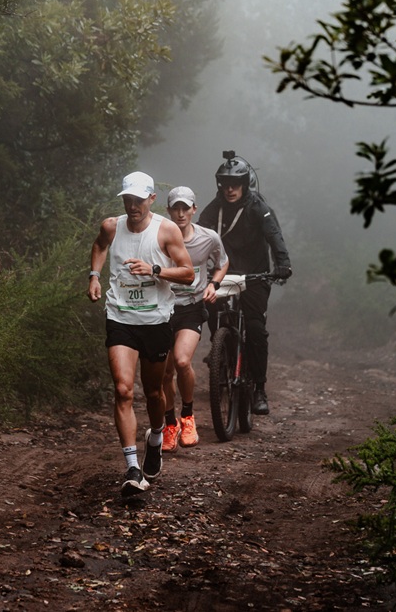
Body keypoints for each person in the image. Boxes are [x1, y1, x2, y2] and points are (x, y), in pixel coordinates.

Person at [88, 171, 195, 497]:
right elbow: (99, 245)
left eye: (139, 200)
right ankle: (133, 468)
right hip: (120, 317)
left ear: (151, 199)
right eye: (128, 200)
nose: (133, 206)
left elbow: (188, 273)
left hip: (155, 320)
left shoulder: (166, 230)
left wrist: (155, 269)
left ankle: (156, 436)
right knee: (122, 390)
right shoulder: (112, 226)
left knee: (153, 393)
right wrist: (94, 276)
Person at [197, 151, 292, 416]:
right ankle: (220, 352)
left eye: (235, 184)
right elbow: (197, 235)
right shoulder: (214, 209)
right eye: (226, 184)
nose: (230, 189)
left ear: (245, 183)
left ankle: (259, 388)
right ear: (220, 185)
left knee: (255, 329)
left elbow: (274, 236)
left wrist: (282, 265)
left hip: (254, 275)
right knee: (211, 308)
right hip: (223, 274)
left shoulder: (258, 208)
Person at [160, 186, 229, 452]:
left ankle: (187, 416)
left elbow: (223, 262)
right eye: (175, 208)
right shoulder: (158, 236)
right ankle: (169, 424)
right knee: (165, 372)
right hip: (161, 308)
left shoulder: (208, 238)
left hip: (191, 307)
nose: (180, 213)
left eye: (185, 208)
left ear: (193, 210)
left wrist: (214, 284)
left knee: (181, 361)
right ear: (168, 210)